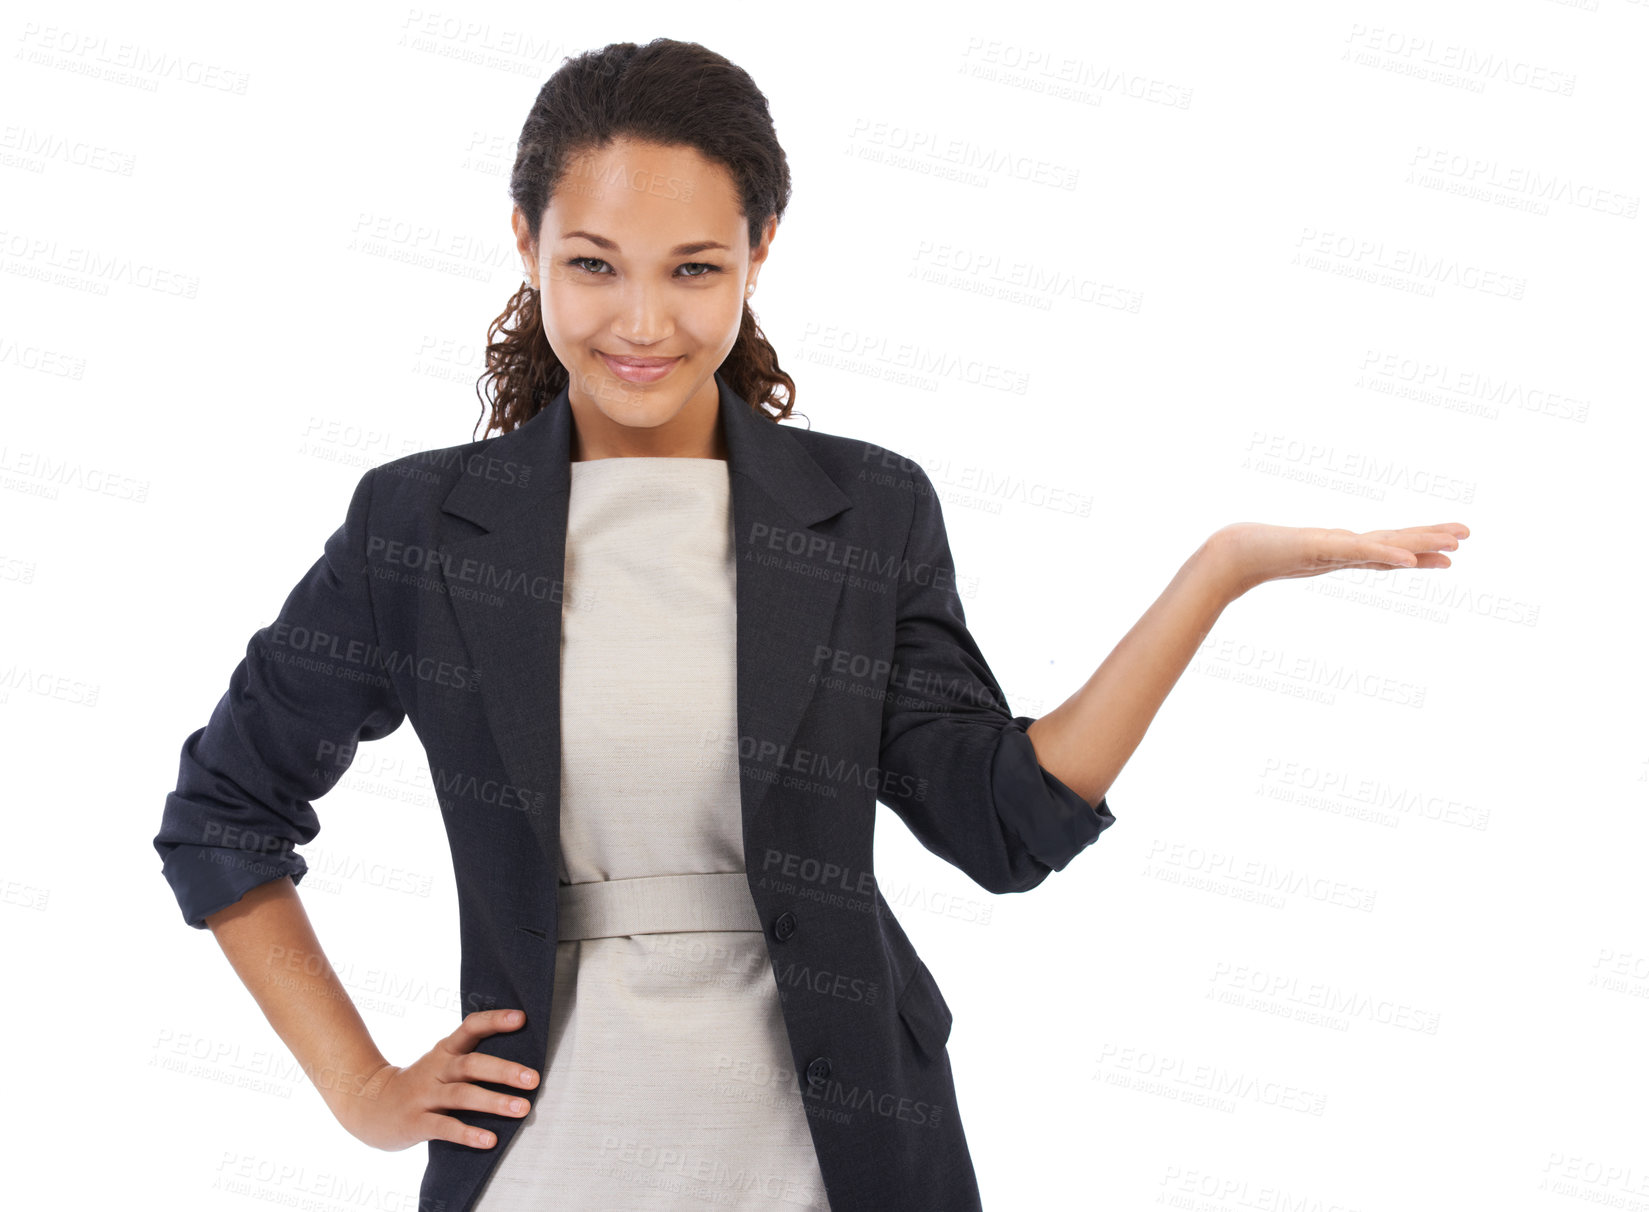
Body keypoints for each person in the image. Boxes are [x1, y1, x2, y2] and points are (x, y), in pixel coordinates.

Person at [153, 38, 1469, 1212]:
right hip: (548, 1160)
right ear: (524, 243)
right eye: (593, 267)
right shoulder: (424, 529)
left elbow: (1000, 825)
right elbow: (223, 812)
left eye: (695, 269)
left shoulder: (863, 513)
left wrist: (1217, 573)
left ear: (759, 256)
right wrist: (360, 1089)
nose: (644, 322)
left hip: (835, 1159)